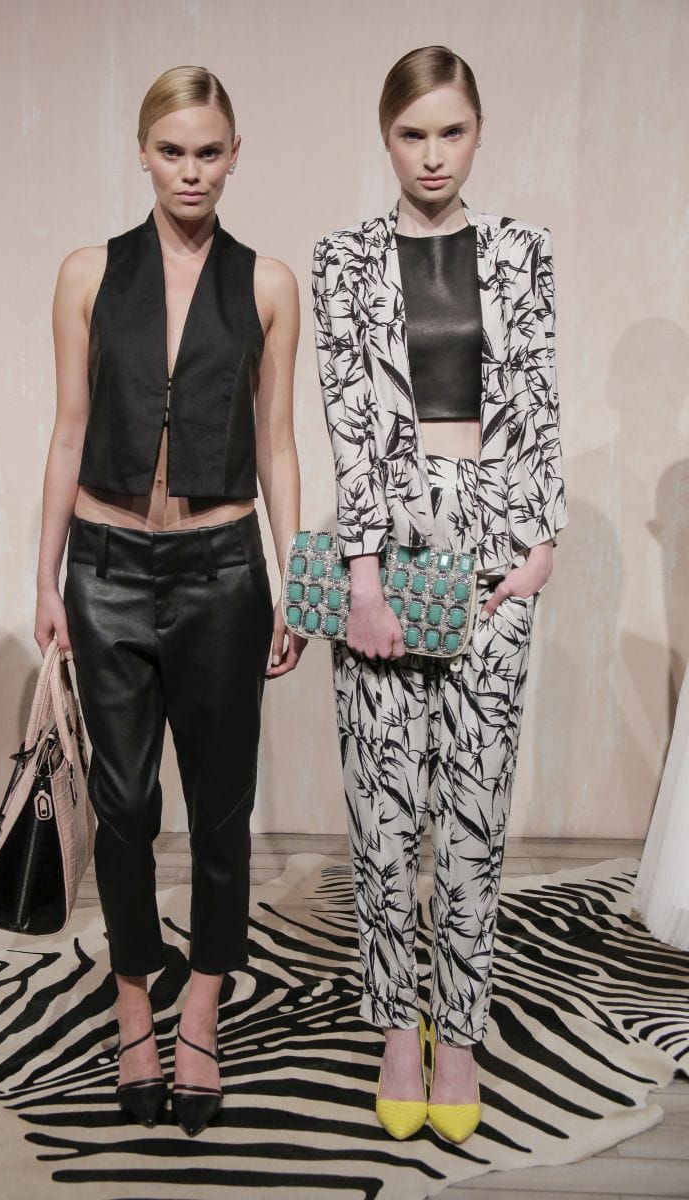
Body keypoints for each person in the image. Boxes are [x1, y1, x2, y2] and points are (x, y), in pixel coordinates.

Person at [34, 65, 304, 1135]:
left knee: (222, 809)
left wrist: (295, 579)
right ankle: (133, 1005)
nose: (191, 172)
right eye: (172, 151)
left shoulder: (268, 284)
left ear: (234, 156)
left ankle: (201, 1011)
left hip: (223, 571)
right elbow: (67, 430)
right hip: (103, 566)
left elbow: (277, 445)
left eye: (209, 152)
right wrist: (44, 577)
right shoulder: (88, 273)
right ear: (142, 153)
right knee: (124, 808)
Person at [312, 45, 566, 1142]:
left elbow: (539, 393)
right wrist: (361, 575)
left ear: (477, 134)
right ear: (387, 136)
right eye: (412, 133)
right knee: (382, 812)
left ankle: (456, 1036)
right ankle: (394, 1029)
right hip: (387, 539)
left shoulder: (521, 250)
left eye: (450, 131)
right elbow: (347, 421)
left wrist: (541, 541)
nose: (431, 154)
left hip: (495, 540)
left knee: (474, 808)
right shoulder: (341, 259)